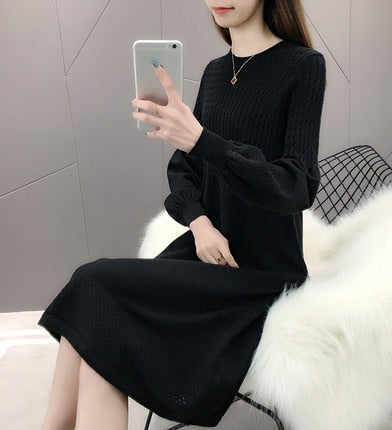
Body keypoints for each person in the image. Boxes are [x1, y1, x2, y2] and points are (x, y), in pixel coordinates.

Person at [38, 0, 327, 429]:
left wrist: (203, 140)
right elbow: (184, 169)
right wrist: (201, 223)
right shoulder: (215, 73)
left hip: (260, 272)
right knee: (96, 311)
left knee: (94, 284)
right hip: (205, 252)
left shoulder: (303, 66)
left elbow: (296, 185)